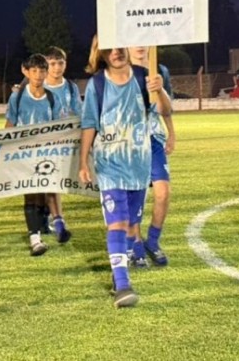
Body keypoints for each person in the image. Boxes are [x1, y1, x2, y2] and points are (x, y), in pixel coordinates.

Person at [78, 35, 171, 308]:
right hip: (109, 164)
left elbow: (165, 110)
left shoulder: (143, 77)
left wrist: (160, 90)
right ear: (101, 53)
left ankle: (123, 263)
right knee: (117, 222)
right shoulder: (97, 84)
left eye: (120, 46)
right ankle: (122, 284)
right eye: (110, 48)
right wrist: (83, 161)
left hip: (138, 165)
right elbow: (89, 123)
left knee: (131, 223)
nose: (116, 52)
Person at [5, 54, 63, 256]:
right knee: (29, 193)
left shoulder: (52, 98)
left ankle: (43, 225)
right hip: (24, 155)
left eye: (42, 71)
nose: (38, 75)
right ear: (26, 71)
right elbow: (10, 124)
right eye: (34, 71)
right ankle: (34, 238)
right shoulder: (17, 97)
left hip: (46, 155)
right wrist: (4, 148)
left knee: (42, 194)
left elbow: (58, 126)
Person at [127, 46, 175, 267]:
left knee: (163, 193)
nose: (139, 46)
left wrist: (171, 133)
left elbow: (166, 109)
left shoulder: (160, 70)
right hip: (128, 142)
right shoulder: (120, 70)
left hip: (153, 138)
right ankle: (136, 245)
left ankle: (153, 241)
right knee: (134, 196)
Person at [43, 46, 81, 245]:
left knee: (56, 181)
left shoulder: (71, 87)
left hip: (65, 141)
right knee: (50, 180)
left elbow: (78, 113)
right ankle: (58, 221)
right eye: (52, 63)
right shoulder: (38, 86)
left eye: (60, 63)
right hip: (44, 142)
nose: (57, 67)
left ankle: (52, 217)